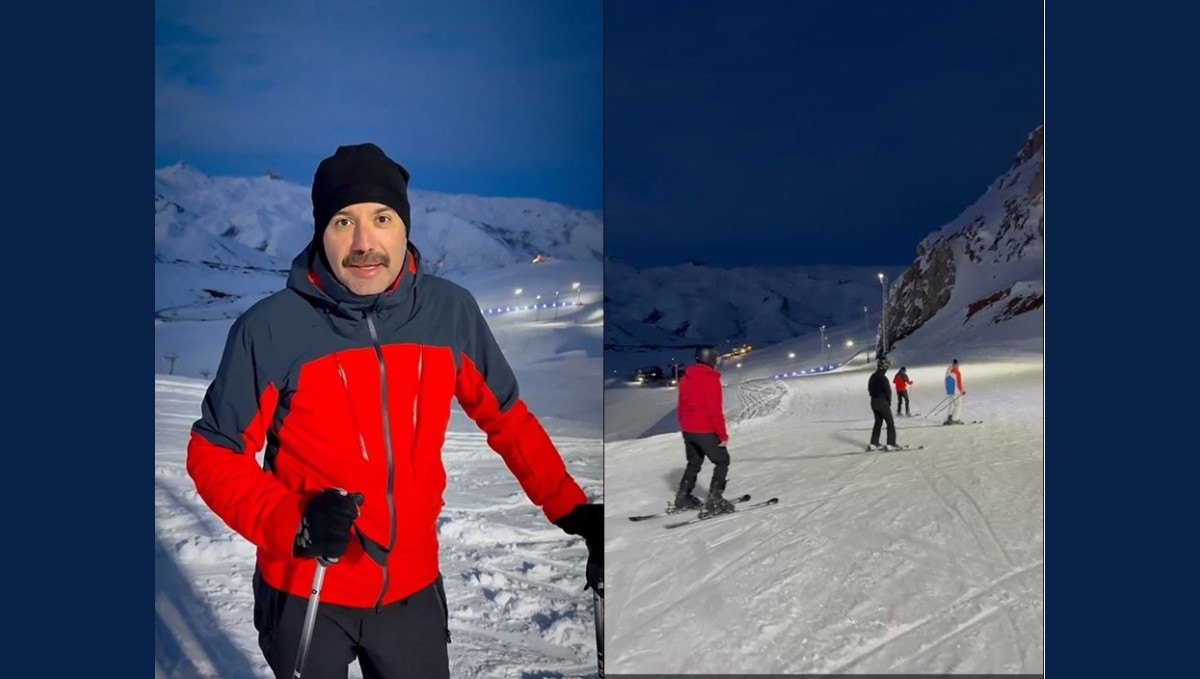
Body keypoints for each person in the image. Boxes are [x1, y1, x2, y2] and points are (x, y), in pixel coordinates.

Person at [186, 143, 602, 679]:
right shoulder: (270, 328)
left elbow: (507, 417)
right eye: (343, 222)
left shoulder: (449, 312)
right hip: (306, 585)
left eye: (381, 219)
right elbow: (215, 452)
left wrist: (569, 507)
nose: (364, 243)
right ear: (320, 232)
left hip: (412, 590)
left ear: (404, 226)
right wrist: (292, 522)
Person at [673, 345, 736, 518]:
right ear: (710, 359)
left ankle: (683, 497)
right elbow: (714, 411)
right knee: (722, 460)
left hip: (688, 429)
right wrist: (722, 435)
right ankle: (715, 500)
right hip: (705, 429)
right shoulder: (710, 379)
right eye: (716, 358)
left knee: (694, 462)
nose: (717, 362)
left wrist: (685, 425)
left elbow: (681, 406)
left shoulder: (686, 378)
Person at [868, 356, 898, 449]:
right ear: (884, 367)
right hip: (882, 401)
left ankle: (874, 443)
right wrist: (888, 402)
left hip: (873, 401)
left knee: (878, 422)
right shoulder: (883, 378)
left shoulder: (873, 376)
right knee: (890, 423)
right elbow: (888, 391)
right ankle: (891, 443)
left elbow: (869, 389)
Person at [944, 358, 966, 425]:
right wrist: (962, 391)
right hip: (955, 391)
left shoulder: (948, 371)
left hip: (949, 391)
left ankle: (949, 418)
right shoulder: (957, 372)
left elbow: (945, 381)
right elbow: (959, 383)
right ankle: (955, 419)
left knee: (952, 404)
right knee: (958, 405)